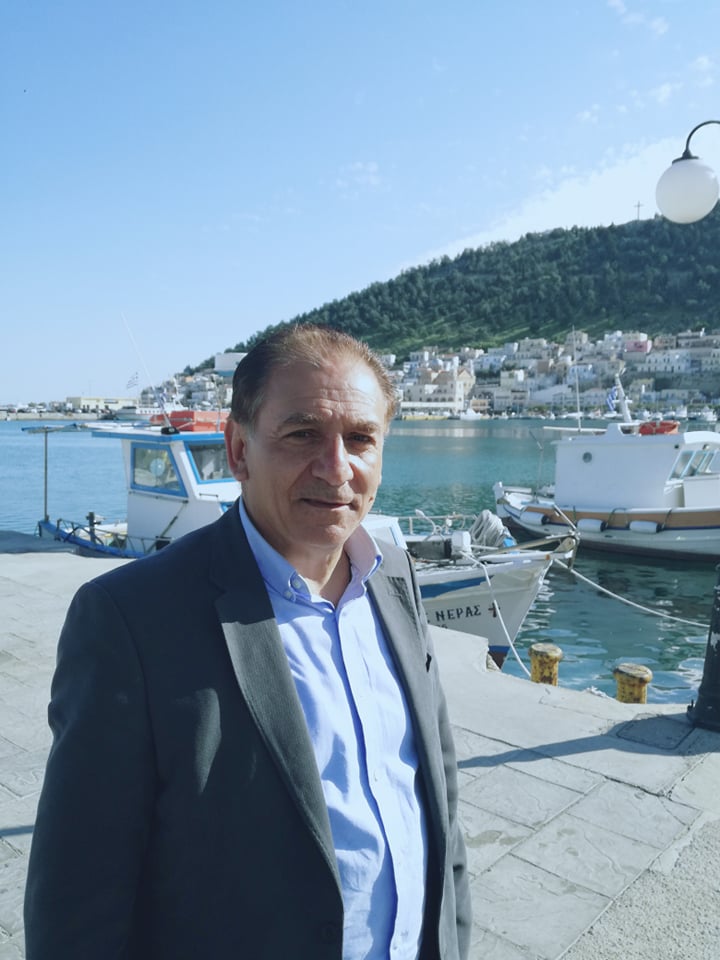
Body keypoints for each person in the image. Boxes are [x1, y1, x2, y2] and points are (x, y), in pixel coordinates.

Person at [24, 323, 471, 959]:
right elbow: (78, 897)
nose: (336, 468)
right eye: (302, 434)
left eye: (360, 439)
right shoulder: (130, 620)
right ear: (239, 450)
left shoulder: (394, 576)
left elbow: (438, 790)